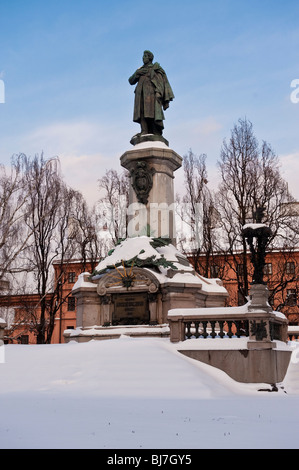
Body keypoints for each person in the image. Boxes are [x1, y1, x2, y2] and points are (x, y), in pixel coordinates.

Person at [128, 51, 174, 136]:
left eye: (145, 56)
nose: (143, 58)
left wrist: (159, 92)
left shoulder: (155, 68)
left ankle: (155, 131)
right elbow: (131, 81)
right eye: (143, 56)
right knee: (142, 112)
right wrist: (137, 73)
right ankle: (144, 131)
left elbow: (160, 82)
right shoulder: (140, 70)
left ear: (149, 58)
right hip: (140, 95)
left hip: (151, 94)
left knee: (151, 112)